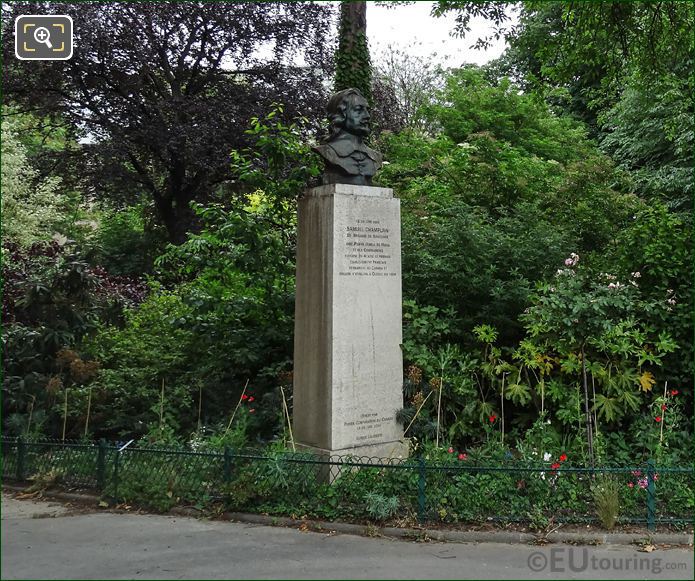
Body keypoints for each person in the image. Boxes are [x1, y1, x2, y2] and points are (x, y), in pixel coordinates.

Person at [312, 88, 383, 186]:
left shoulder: (375, 157)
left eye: (367, 110)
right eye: (359, 110)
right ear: (340, 114)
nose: (367, 116)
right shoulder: (327, 152)